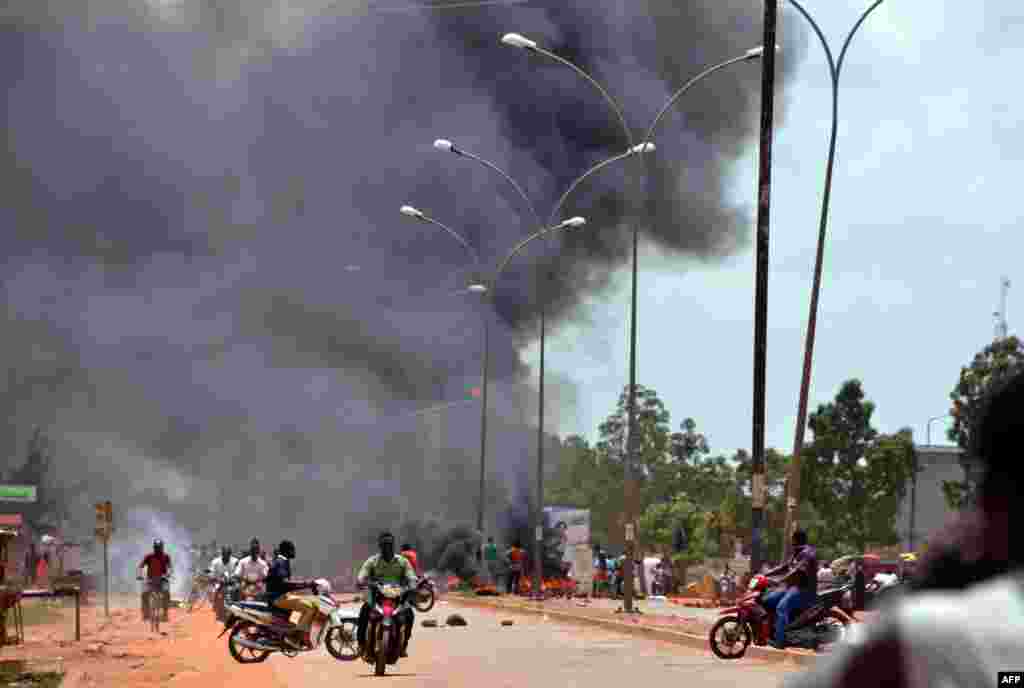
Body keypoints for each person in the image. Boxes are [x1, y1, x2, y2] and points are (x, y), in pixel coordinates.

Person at [783, 368, 1024, 688]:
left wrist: (917, 601)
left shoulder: (929, 637)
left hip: (813, 598)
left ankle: (779, 638)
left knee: (785, 607)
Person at [356, 532, 418, 657]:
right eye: (384, 544)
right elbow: (362, 575)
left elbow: (411, 576)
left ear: (393, 545)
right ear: (380, 546)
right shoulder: (372, 561)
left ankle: (404, 644)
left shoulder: (402, 562)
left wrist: (412, 585)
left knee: (410, 614)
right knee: (364, 611)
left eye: (389, 544)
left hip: (398, 596)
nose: (387, 547)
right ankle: (361, 644)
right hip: (377, 596)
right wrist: (362, 581)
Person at [761, 529, 818, 649]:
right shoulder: (796, 553)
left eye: (792, 539)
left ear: (796, 540)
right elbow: (784, 567)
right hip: (792, 588)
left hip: (804, 590)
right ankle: (771, 630)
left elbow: (796, 571)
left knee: (781, 607)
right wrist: (765, 574)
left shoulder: (808, 553)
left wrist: (780, 580)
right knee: (767, 600)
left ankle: (780, 640)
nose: (790, 542)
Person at [266, 540, 319, 650]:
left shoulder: (282, 561)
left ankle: (297, 631)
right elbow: (285, 583)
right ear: (286, 551)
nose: (294, 552)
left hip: (281, 596)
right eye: (292, 549)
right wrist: (306, 584)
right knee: (310, 608)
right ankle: (298, 636)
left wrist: (305, 584)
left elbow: (285, 583)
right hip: (278, 598)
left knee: (310, 604)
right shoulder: (281, 562)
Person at [138, 540, 173, 622]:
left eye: (159, 548)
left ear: (162, 548)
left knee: (166, 593)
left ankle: (165, 613)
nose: (157, 549)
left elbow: (170, 567)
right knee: (144, 594)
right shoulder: (148, 556)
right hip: (150, 579)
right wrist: (140, 575)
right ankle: (145, 613)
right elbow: (141, 567)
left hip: (162, 579)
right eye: (156, 548)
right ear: (154, 548)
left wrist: (168, 574)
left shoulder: (166, 556)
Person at [209, 545, 238, 621]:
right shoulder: (215, 561)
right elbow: (211, 572)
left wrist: (233, 579)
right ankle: (215, 605)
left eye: (228, 554)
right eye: (224, 554)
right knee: (213, 591)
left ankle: (236, 609)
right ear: (222, 554)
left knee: (237, 591)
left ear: (230, 554)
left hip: (231, 583)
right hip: (218, 582)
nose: (226, 556)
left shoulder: (235, 561)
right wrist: (213, 577)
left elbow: (237, 573)